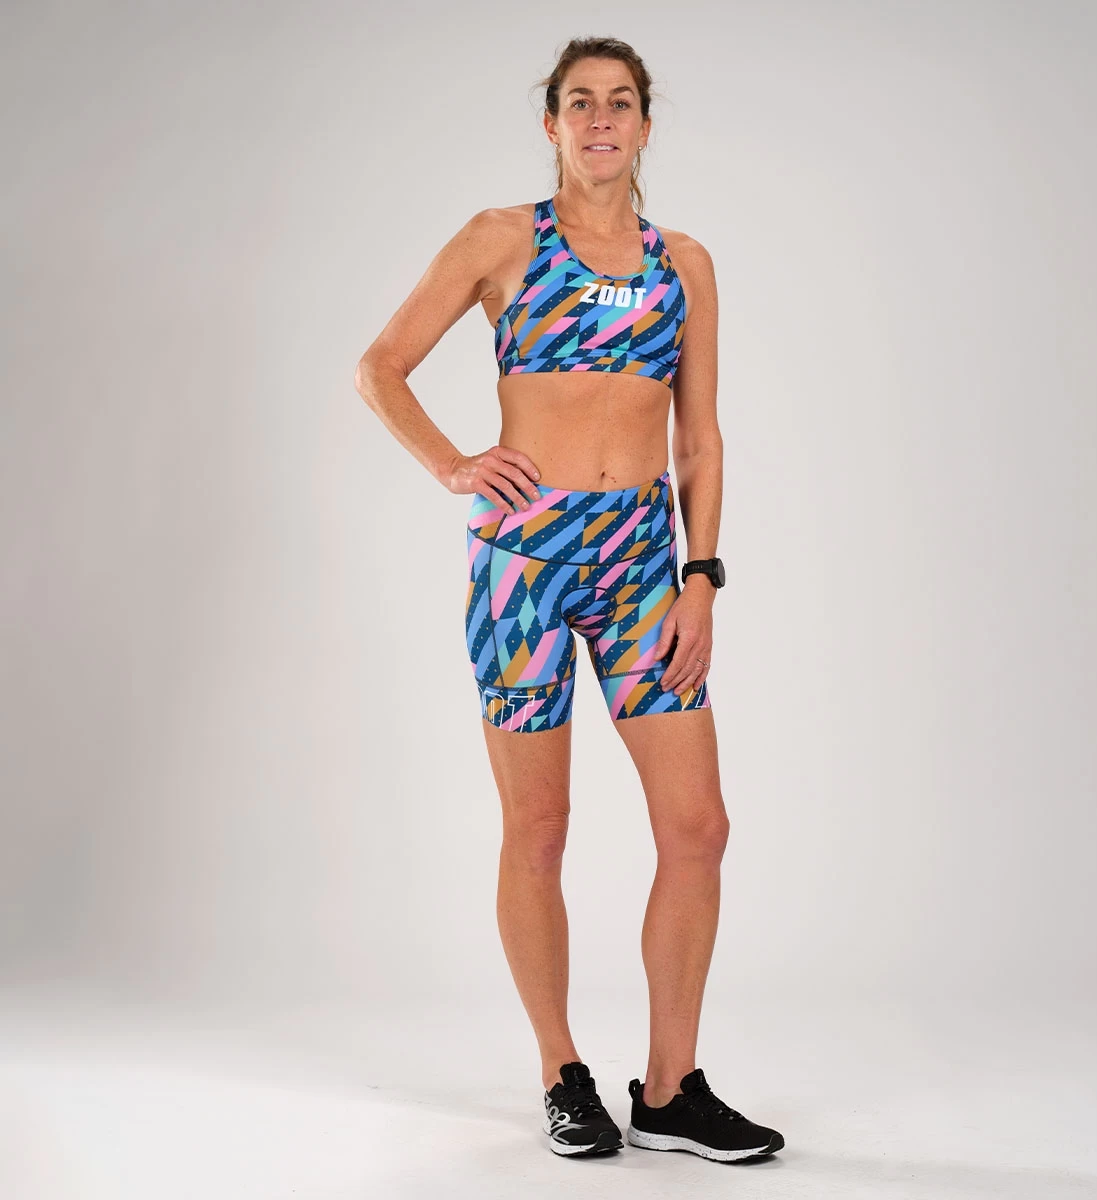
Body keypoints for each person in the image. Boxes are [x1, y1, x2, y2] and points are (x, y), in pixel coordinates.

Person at [354, 36, 784, 1163]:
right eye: (581, 102)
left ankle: (671, 1087)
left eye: (621, 102)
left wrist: (702, 576)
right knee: (539, 827)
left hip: (642, 561)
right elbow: (380, 366)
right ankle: (562, 1071)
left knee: (698, 826)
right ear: (551, 123)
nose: (601, 120)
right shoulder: (502, 239)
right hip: (526, 561)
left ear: (645, 124)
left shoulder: (684, 262)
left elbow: (700, 440)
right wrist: (454, 463)